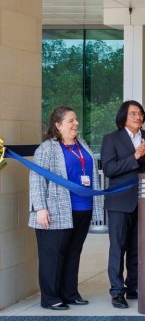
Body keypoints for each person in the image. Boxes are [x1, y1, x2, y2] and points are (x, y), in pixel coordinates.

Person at [28, 106, 102, 310]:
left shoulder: (82, 144)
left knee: (73, 253)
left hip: (82, 209)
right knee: (53, 254)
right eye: (71, 121)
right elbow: (36, 179)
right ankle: (51, 297)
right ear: (58, 125)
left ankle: (70, 293)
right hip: (55, 210)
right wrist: (40, 208)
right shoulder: (46, 148)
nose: (76, 123)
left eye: (76, 120)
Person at [101, 100, 145, 309]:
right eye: (133, 113)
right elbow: (109, 169)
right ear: (123, 116)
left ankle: (134, 286)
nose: (138, 117)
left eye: (141, 113)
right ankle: (117, 292)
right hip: (119, 202)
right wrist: (135, 156)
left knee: (138, 248)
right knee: (118, 248)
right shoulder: (111, 139)